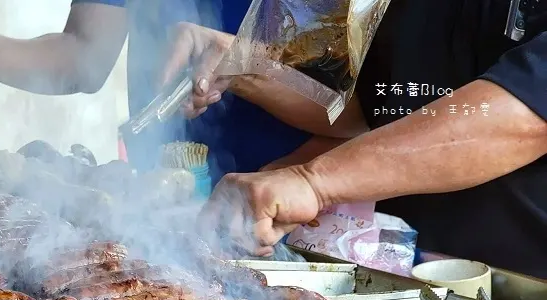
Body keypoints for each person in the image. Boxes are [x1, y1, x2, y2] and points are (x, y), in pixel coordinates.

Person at [177, 0, 547, 278]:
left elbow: (525, 114)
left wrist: (313, 181)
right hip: (400, 267)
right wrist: (242, 67)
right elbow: (363, 111)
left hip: (523, 288)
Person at [0, 0, 313, 184]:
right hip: (160, 193)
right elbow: (84, 56)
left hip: (300, 199)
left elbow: (361, 109)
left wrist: (310, 181)